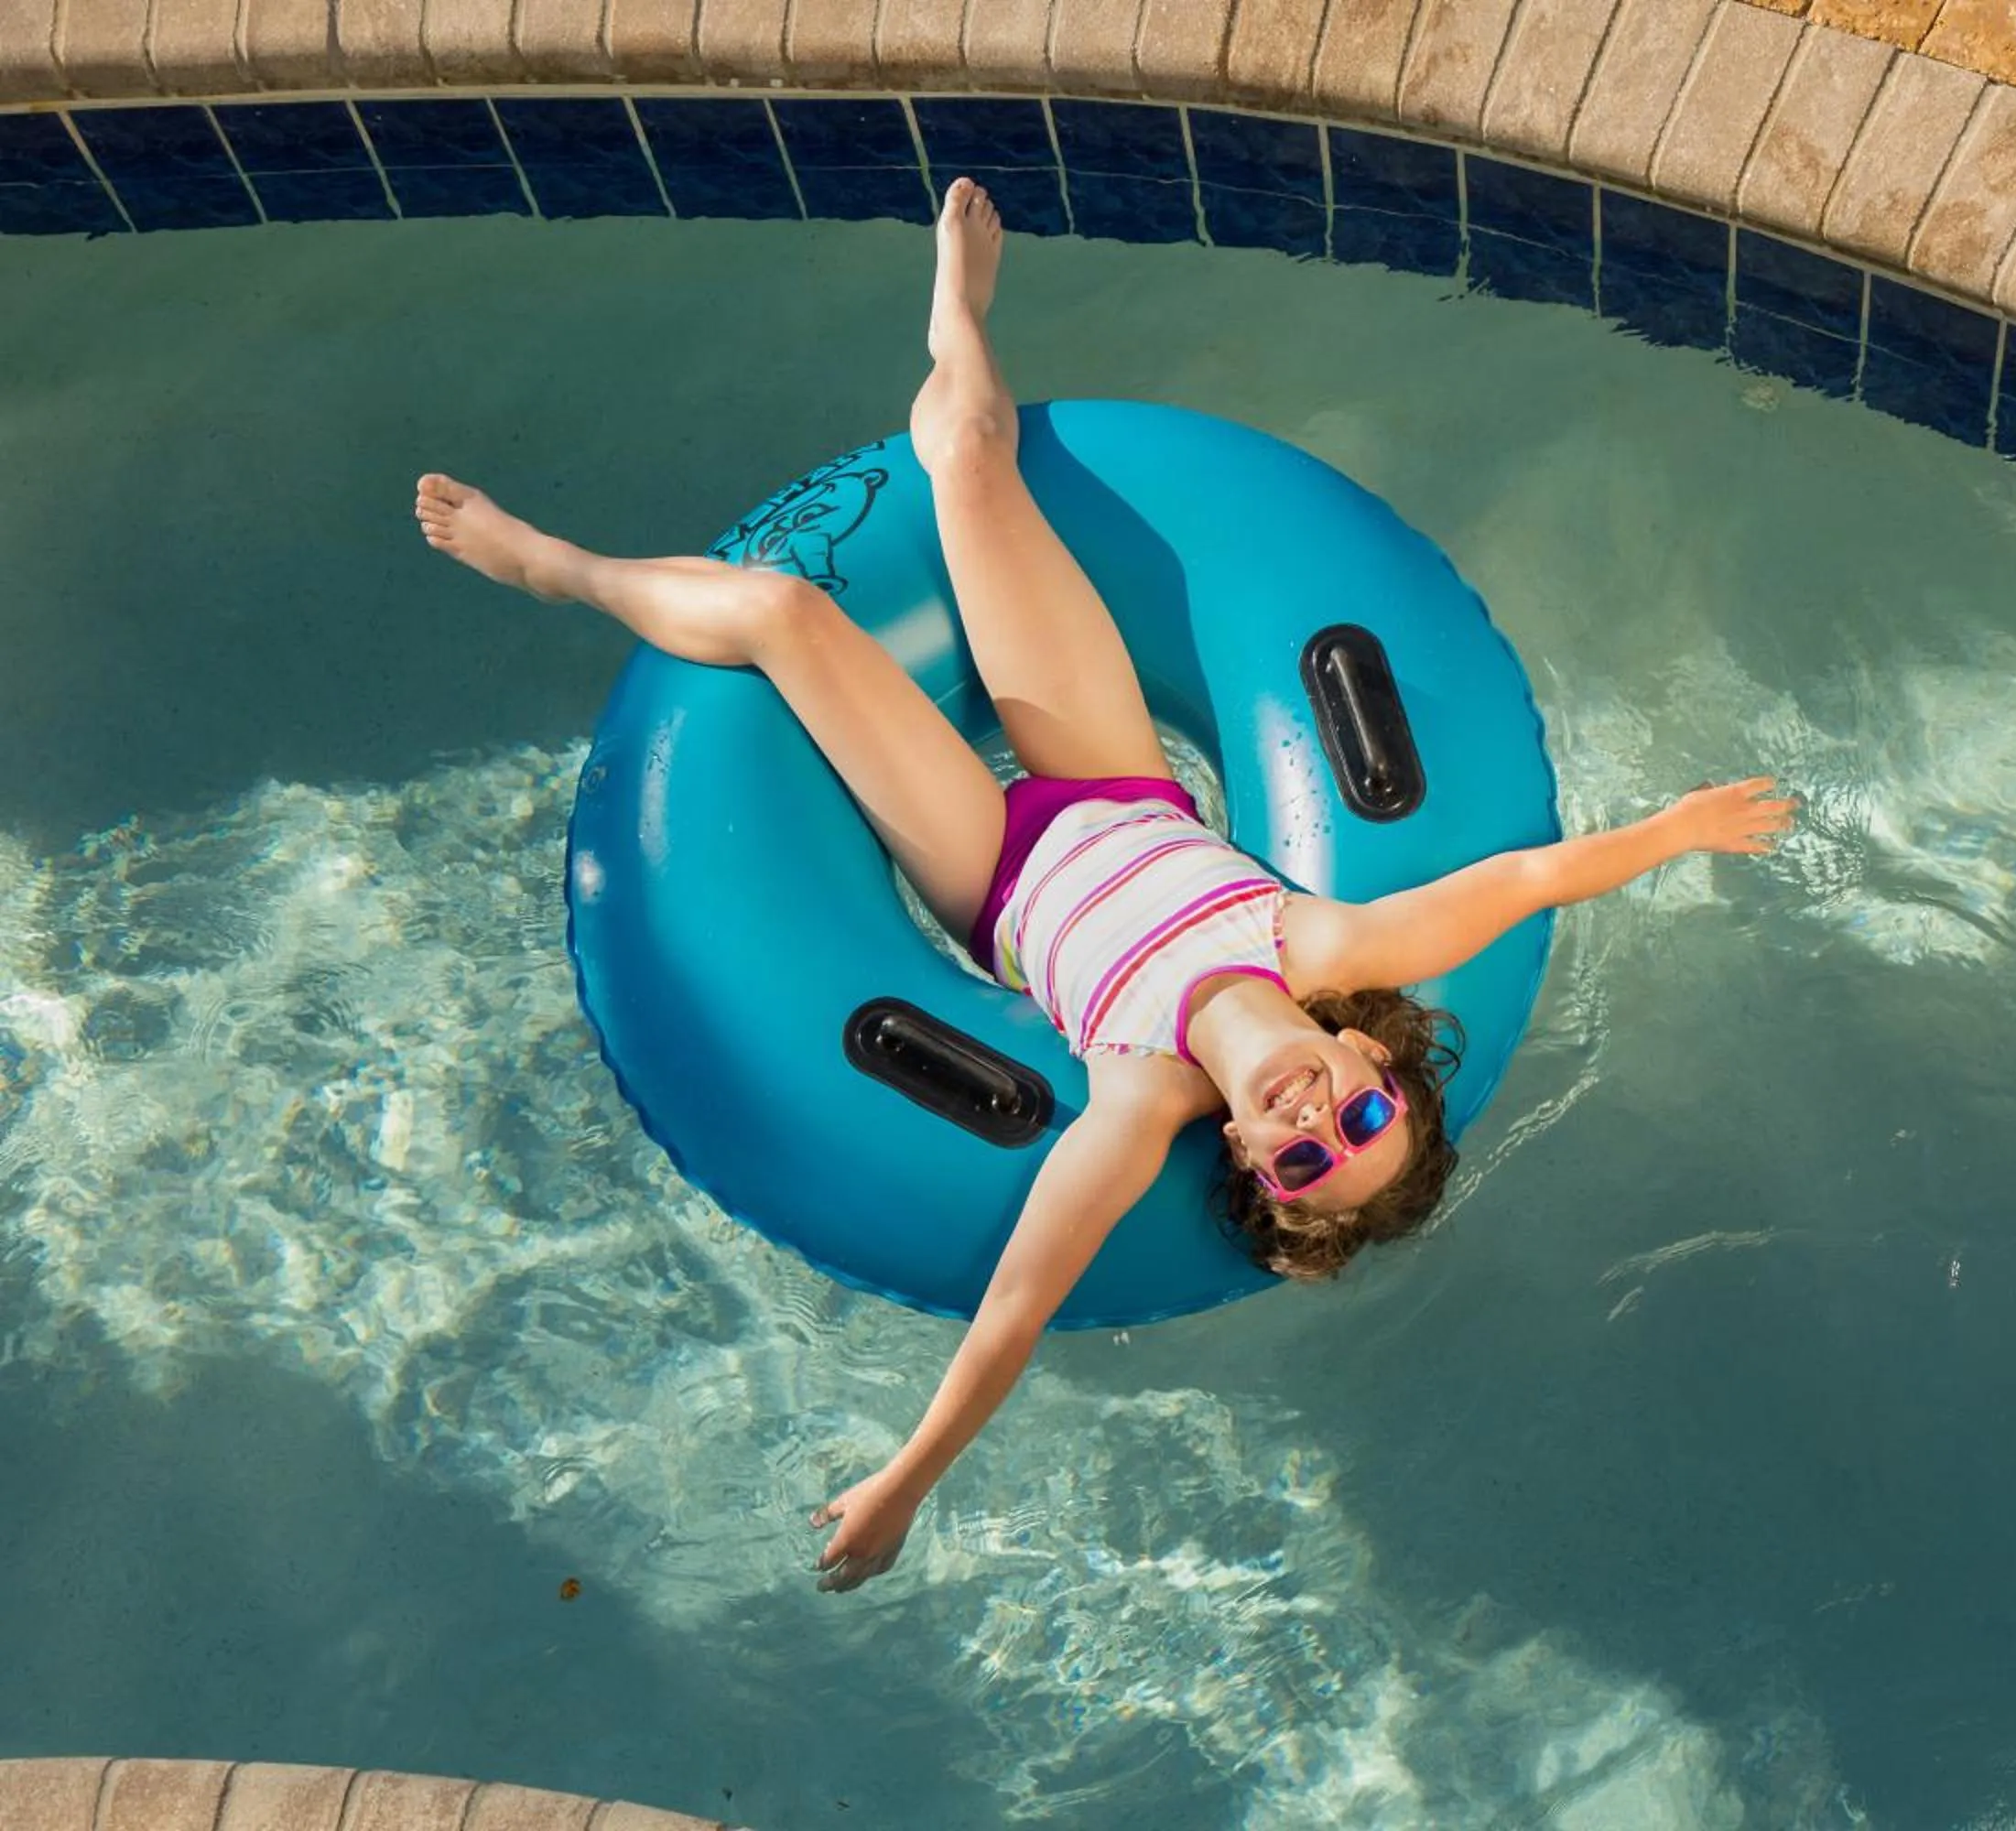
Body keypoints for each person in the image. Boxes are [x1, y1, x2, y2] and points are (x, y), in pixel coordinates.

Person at [414, 177, 1794, 1593]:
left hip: (991, 867)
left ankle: (556, 566)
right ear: (1366, 1048)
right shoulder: (1324, 937)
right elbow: (1526, 876)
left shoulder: (1139, 1099)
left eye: (1307, 1163)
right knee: (961, 450)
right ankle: (959, 309)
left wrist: (907, 1480)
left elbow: (1016, 1308)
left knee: (782, 614)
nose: (1317, 1122)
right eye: (1362, 1113)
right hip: (1115, 780)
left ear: (1256, 1168)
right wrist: (1674, 834)